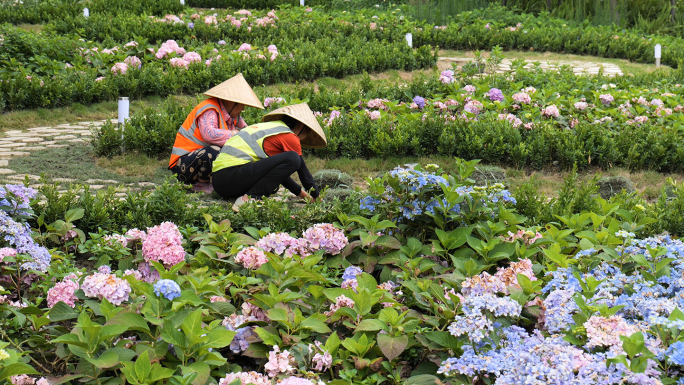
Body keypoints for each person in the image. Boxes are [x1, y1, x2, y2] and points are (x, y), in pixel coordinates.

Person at [211, 103, 327, 209]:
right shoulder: (289, 136)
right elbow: (303, 173)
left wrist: (305, 196)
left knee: (275, 183)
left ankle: (248, 197)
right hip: (232, 175)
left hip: (220, 182)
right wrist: (316, 196)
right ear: (302, 126)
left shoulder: (271, 129)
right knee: (293, 157)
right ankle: (249, 198)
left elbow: (279, 175)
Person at [168, 73, 264, 194]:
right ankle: (202, 184)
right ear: (231, 102)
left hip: (195, 162)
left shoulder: (232, 115)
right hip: (183, 165)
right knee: (213, 151)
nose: (243, 108)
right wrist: (236, 134)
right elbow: (209, 134)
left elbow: (247, 131)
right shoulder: (209, 109)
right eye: (242, 104)